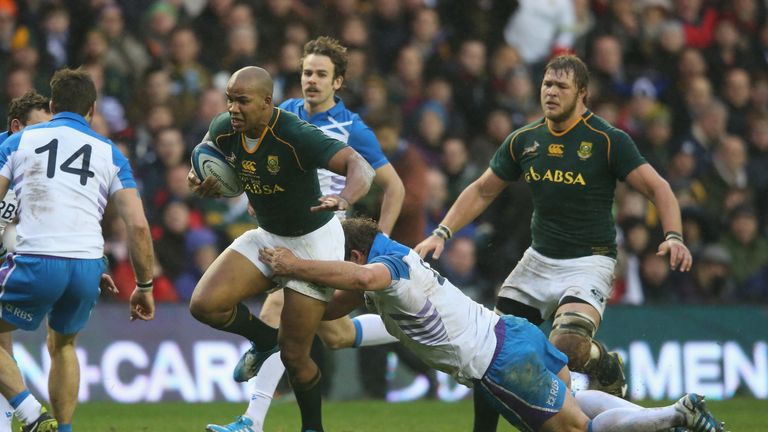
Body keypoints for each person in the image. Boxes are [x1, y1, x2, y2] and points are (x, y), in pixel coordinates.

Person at [414, 54, 693, 431]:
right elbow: (482, 190)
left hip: (589, 261)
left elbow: (659, 188)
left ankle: (602, 362)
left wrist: (673, 236)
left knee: (567, 347)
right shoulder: (525, 140)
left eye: (561, 86)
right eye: (547, 84)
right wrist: (442, 232)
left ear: (582, 94)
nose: (551, 92)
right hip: (538, 260)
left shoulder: (607, 140)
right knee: (492, 353)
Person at [258, 217, 725, 432]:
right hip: (513, 333)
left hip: (500, 365)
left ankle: (674, 414)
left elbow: (359, 278)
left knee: (576, 429)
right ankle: (667, 417)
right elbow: (333, 315)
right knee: (576, 403)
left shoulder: (387, 270)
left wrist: (293, 265)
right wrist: (293, 293)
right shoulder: (389, 262)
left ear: (356, 254)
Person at [207, 37, 404, 432]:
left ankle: (252, 420)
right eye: (307, 72)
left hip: (329, 234)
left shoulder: (352, 128)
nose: (311, 80)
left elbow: (393, 187)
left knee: (275, 316)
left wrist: (378, 244)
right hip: (281, 226)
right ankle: (409, 326)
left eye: (321, 74)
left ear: (338, 82)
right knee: (336, 334)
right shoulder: (281, 114)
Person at [0, 69, 156, 432]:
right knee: (63, 345)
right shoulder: (111, 152)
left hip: (37, 259)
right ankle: (64, 429)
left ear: (53, 105)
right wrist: (145, 286)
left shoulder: (19, 142)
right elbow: (137, 225)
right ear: (93, 109)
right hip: (88, 266)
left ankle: (31, 414)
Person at [0, 90, 51, 432]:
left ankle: (19, 418)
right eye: (39, 130)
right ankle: (31, 414)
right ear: (17, 127)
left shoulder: (40, 167)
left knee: (3, 343)